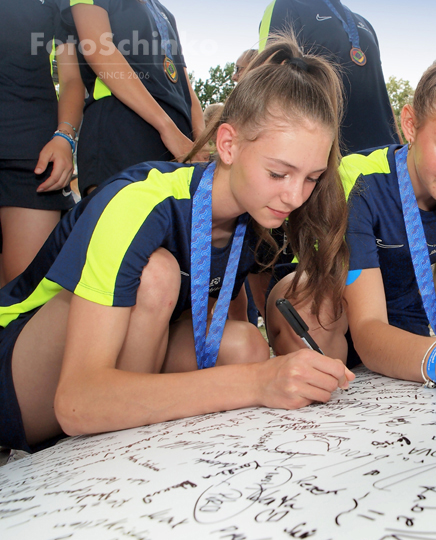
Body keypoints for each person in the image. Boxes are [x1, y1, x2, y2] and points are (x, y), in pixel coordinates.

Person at [0, 36, 353, 454]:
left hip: (123, 367)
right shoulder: (140, 201)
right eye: (279, 173)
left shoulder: (255, 219)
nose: (295, 197)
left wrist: (262, 371)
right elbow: (75, 403)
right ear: (228, 144)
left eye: (311, 178)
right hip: (21, 379)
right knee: (157, 275)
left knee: (245, 345)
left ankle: (136, 441)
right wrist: (261, 382)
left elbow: (225, 330)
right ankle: (110, 443)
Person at [267, 52, 436, 398]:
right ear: (410, 124)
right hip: (341, 328)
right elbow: (367, 327)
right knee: (310, 306)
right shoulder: (358, 182)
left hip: (407, 328)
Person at [62, 0, 204, 196]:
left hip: (180, 144)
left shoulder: (165, 13)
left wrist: (200, 144)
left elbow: (185, 85)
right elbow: (99, 51)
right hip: (122, 131)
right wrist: (167, 128)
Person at [0, 1, 84, 283]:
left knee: (22, 298)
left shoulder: (54, 5)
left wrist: (64, 136)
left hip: (31, 159)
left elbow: (72, 79)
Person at [259, 0, 400, 154]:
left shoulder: (364, 22)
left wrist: (399, 144)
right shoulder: (285, 5)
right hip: (333, 160)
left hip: (386, 158)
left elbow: (380, 91)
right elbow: (268, 83)